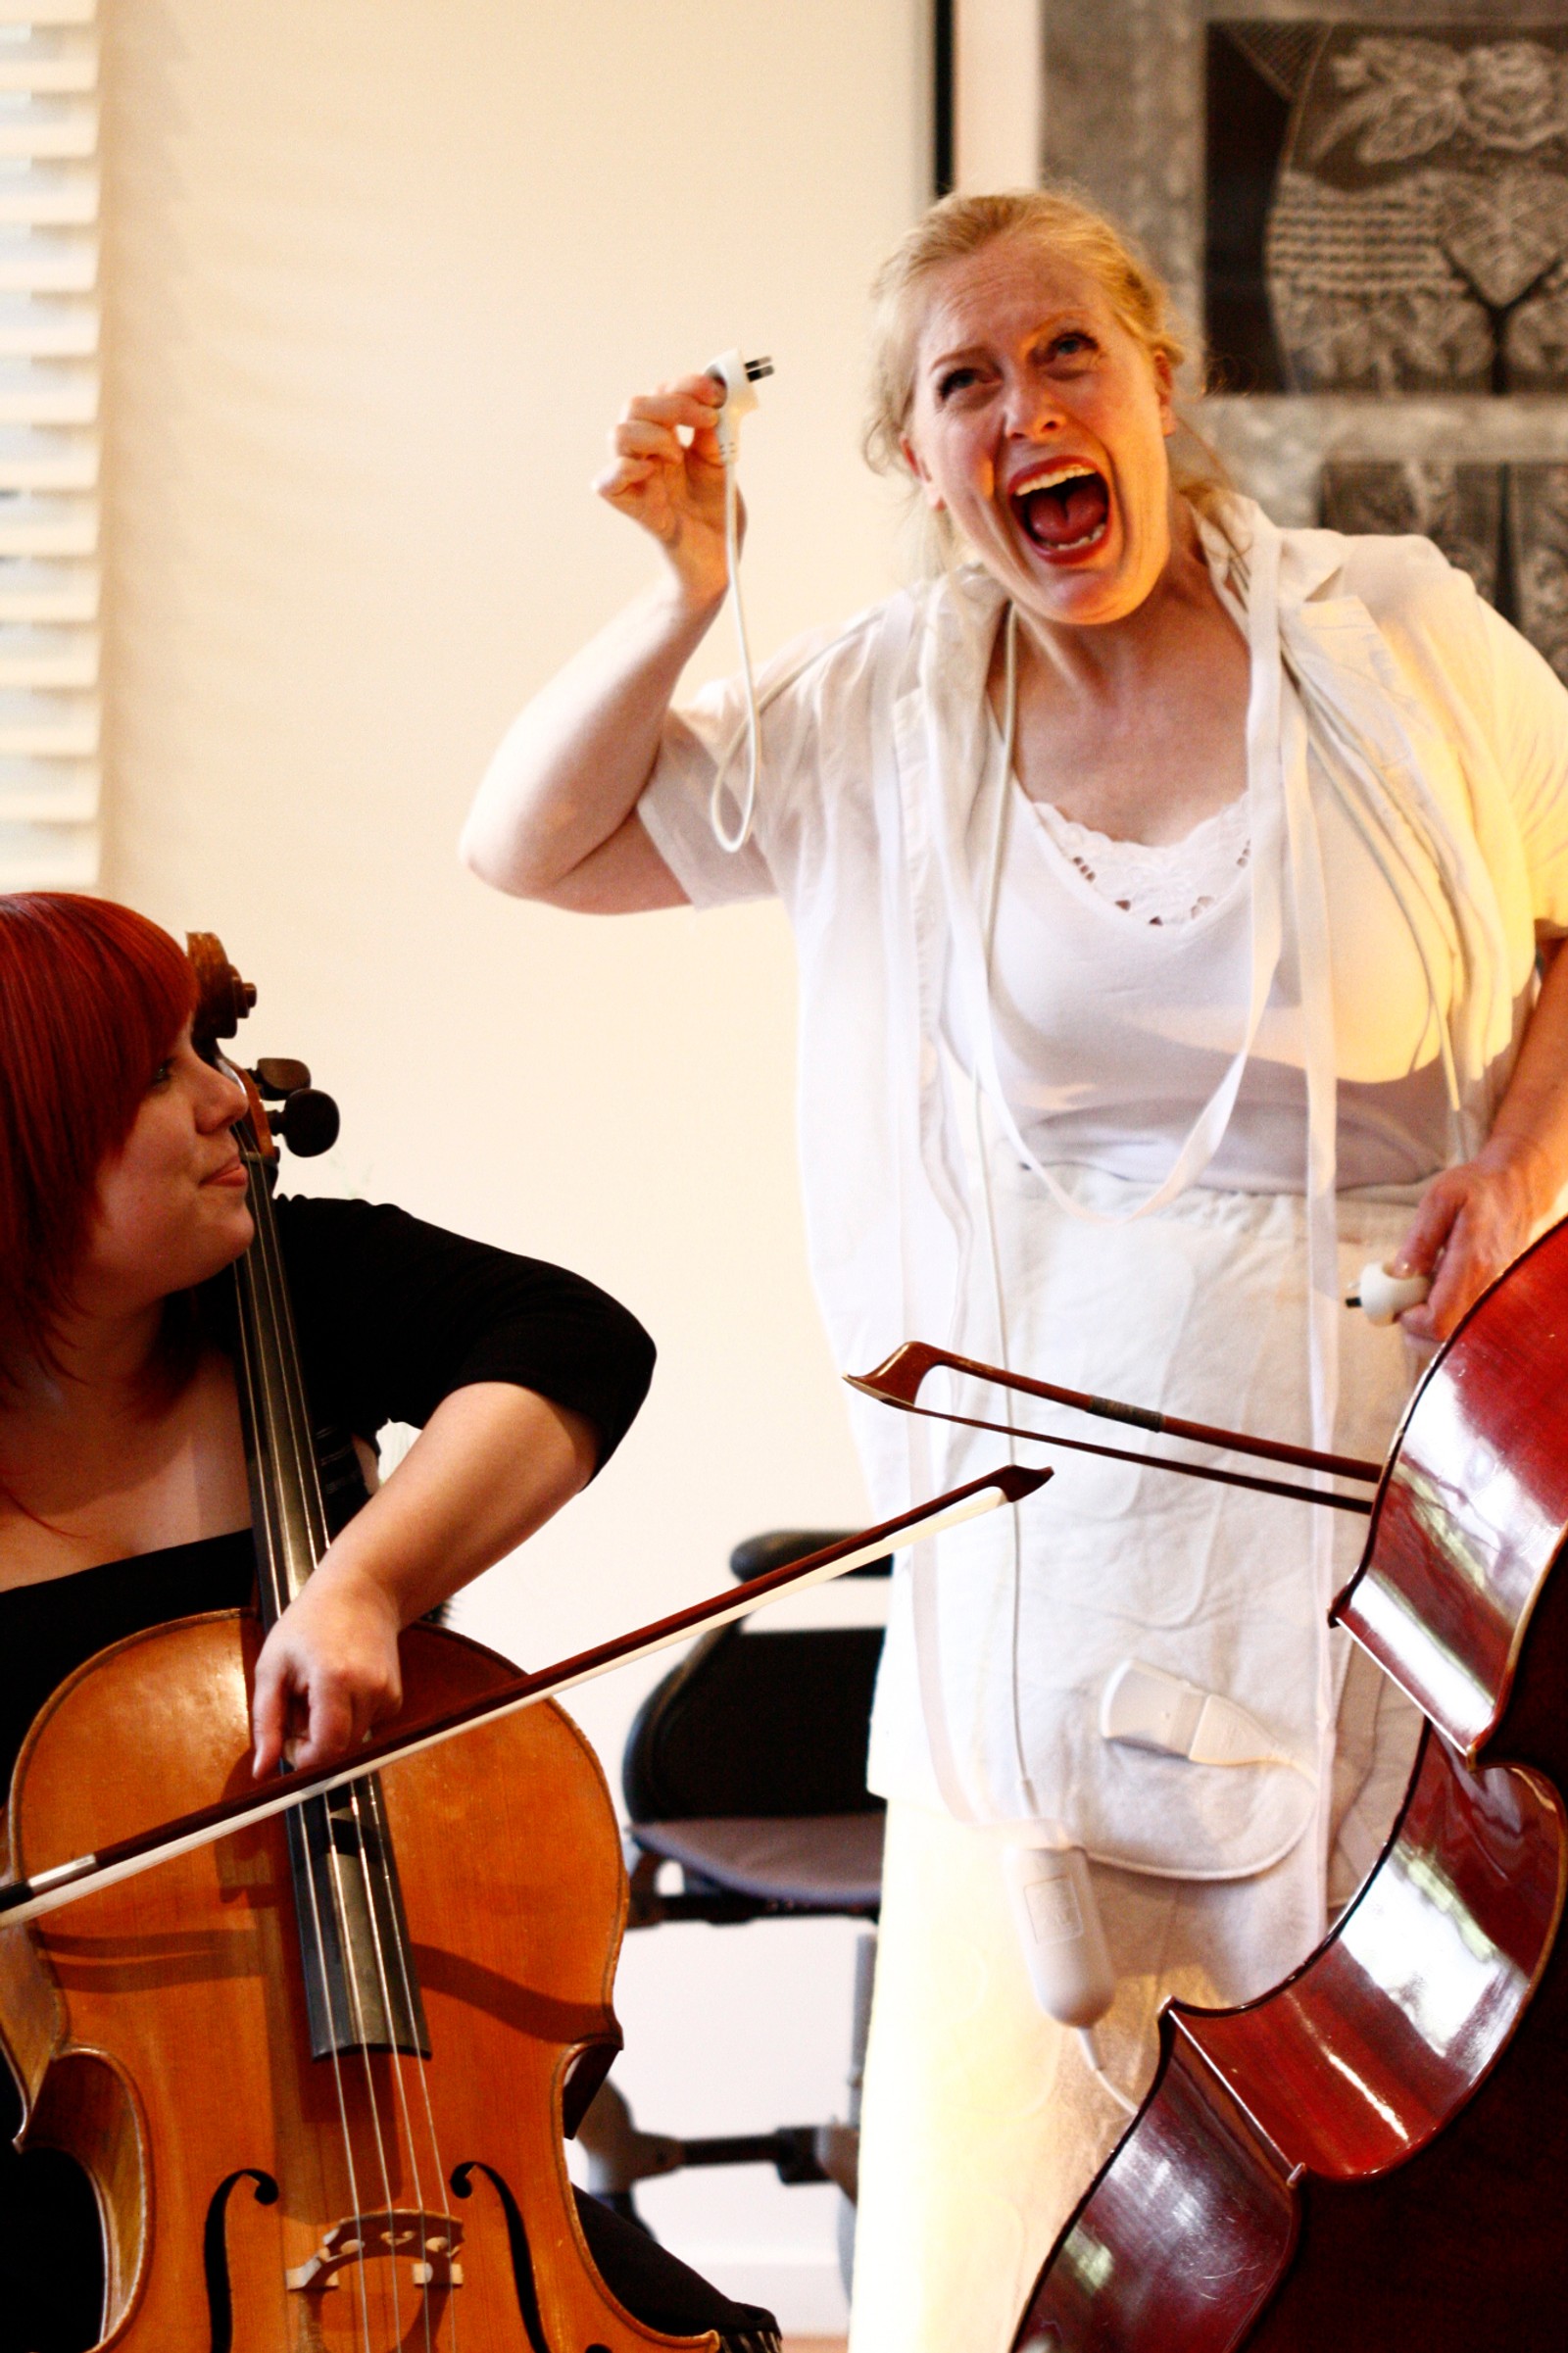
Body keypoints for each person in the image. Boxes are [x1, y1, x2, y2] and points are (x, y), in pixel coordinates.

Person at [461, 186, 1568, 2351]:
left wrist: (1520, 1161)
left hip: (1416, 1486)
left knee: (1396, 2125)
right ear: (907, 456)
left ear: (1158, 386)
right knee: (1074, 2150)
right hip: (1058, 1517)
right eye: (962, 381)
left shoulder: (1391, 635)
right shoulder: (891, 709)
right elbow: (533, 841)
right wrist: (681, 593)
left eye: (1065, 355)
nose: (1025, 410)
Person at [0, 891, 778, 2353]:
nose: (232, 1099)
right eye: (162, 1075)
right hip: (58, 2162)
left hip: (400, 2133)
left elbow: (578, 1343)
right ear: (26, 1152)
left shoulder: (291, 1284)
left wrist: (361, 1580)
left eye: (203, 1053)